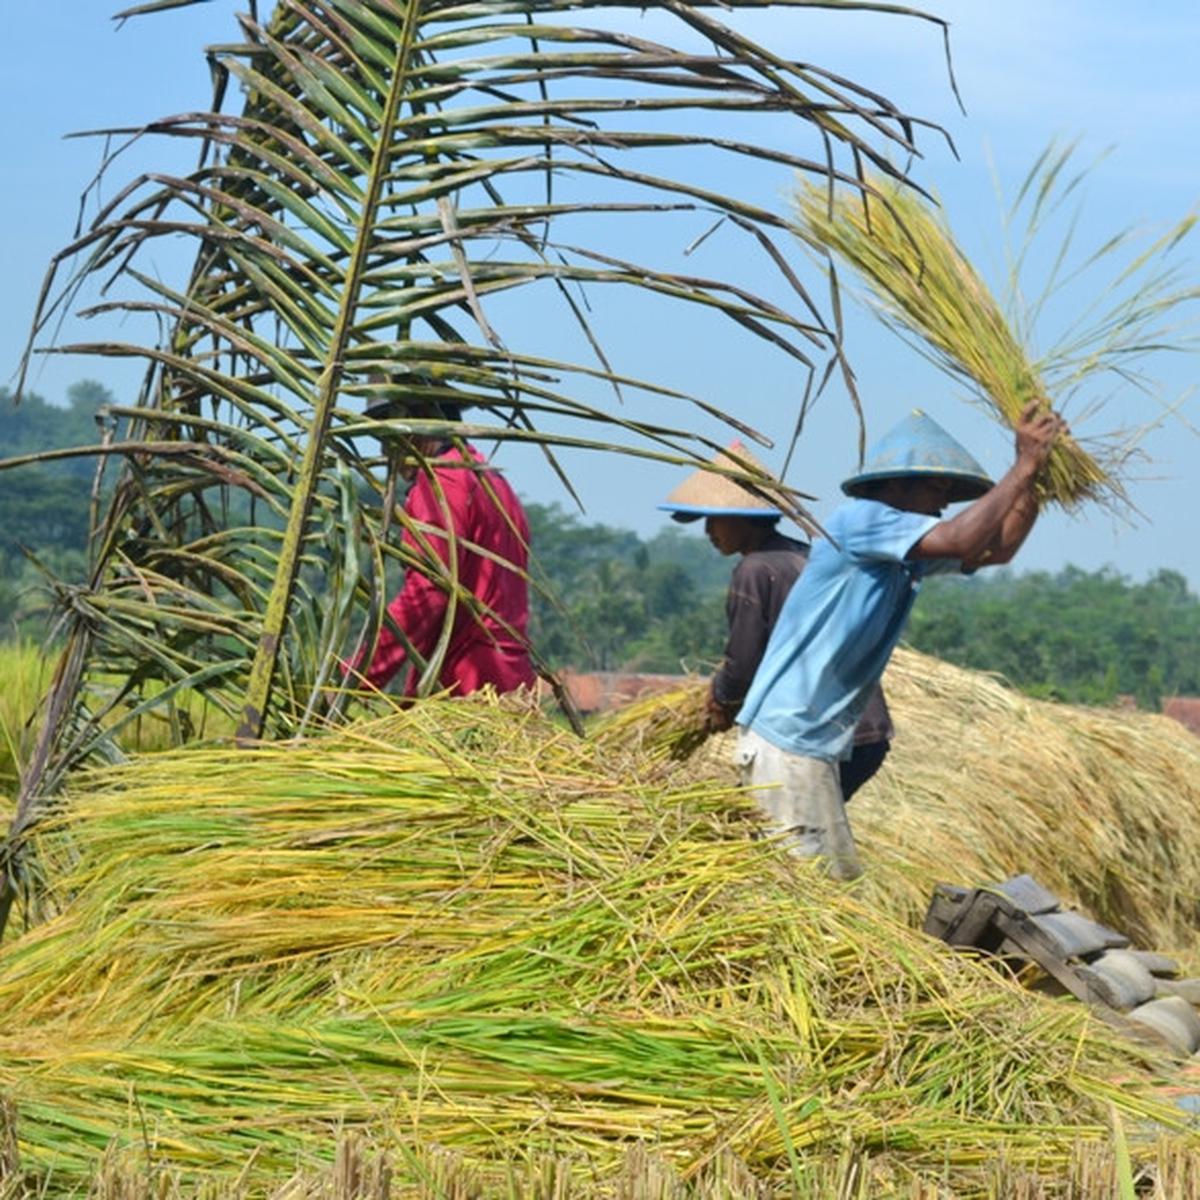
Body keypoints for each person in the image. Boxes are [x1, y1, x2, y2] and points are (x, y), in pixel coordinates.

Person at [735, 401, 1066, 880]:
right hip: (788, 742)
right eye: (935, 488)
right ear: (893, 484)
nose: (941, 505)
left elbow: (993, 550)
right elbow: (958, 539)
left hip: (811, 744)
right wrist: (1023, 465)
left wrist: (1037, 481)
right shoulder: (860, 521)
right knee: (810, 897)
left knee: (829, 889)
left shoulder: (901, 553)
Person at [658, 441, 892, 800]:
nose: (708, 530)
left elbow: (743, 662)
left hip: (820, 733)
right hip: (864, 729)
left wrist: (721, 699)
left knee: (778, 836)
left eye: (715, 518)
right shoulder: (806, 557)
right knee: (803, 832)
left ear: (744, 518)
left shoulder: (755, 569)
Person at [349, 376, 536, 698]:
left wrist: (352, 678)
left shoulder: (441, 484)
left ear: (420, 417)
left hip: (467, 685)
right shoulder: (490, 480)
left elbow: (428, 593)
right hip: (511, 686)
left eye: (387, 433)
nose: (383, 449)